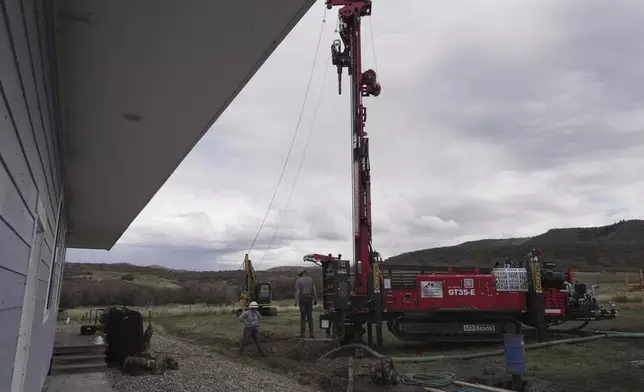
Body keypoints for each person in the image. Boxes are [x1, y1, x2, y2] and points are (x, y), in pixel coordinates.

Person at [294, 268, 317, 339]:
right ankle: (311, 334)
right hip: (309, 299)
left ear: (301, 274)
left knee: (303, 318)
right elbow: (314, 290)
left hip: (302, 300)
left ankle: (302, 335)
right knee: (310, 317)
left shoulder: (299, 280)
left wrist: (296, 301)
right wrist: (315, 299)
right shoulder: (311, 279)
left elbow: (297, 291)